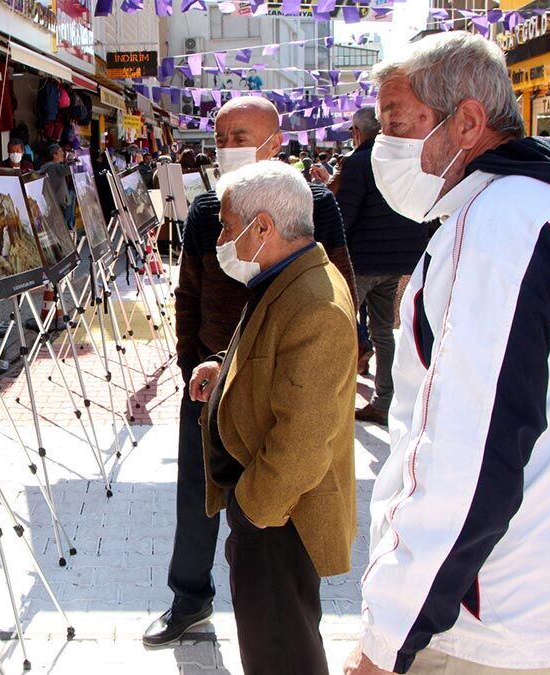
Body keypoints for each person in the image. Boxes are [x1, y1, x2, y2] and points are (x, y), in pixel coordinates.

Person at [346, 32, 550, 675]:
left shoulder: (503, 224)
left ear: (468, 121)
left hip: (491, 623)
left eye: (398, 123)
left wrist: (390, 634)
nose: (382, 145)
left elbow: (471, 451)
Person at [145, 95, 354, 650]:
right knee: (197, 494)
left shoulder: (311, 208)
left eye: (240, 137)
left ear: (275, 142)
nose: (228, 149)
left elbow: (335, 294)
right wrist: (195, 364)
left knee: (270, 510)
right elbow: (187, 295)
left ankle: (277, 611)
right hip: (213, 380)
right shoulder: (209, 208)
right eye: (221, 139)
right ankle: (189, 596)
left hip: (283, 385)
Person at [190, 161, 357, 672]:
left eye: (227, 223)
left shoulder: (315, 303)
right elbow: (276, 357)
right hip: (268, 510)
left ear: (263, 227)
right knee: (272, 641)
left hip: (279, 516)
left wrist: (252, 509)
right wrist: (227, 372)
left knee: (281, 649)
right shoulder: (287, 274)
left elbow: (304, 441)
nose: (221, 237)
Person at [336, 107, 428, 426]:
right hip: (398, 259)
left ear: (358, 132)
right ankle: (385, 399)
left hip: (362, 261)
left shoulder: (359, 162)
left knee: (340, 331)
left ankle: (334, 400)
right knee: (383, 332)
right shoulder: (405, 159)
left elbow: (344, 216)